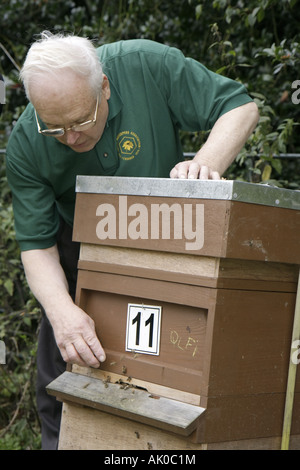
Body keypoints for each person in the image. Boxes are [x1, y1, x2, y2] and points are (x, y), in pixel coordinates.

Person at [6, 31, 259, 449]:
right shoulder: (27, 142)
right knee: (60, 376)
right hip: (82, 249)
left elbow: (240, 107)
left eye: (80, 121)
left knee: (174, 371)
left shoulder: (146, 64)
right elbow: (36, 244)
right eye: (55, 128)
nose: (71, 138)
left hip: (168, 235)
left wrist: (204, 165)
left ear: (103, 85)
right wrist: (62, 313)